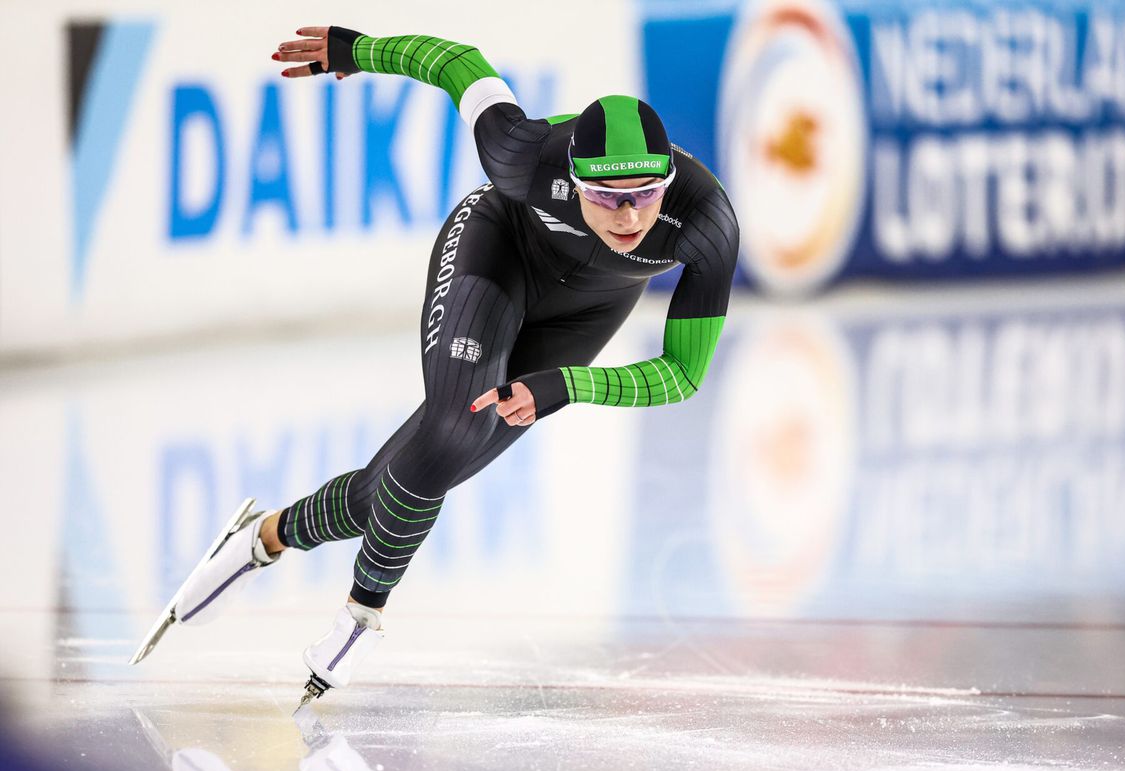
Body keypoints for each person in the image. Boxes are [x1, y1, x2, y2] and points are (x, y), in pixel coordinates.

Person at [131, 24, 740, 705]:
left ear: (669, 180)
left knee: (395, 486)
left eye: (645, 194)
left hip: (585, 318)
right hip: (497, 253)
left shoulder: (707, 222)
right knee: (456, 427)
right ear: (572, 178)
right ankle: (362, 613)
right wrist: (353, 50)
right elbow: (458, 62)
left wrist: (566, 385)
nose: (628, 217)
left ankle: (263, 537)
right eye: (604, 197)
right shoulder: (524, 156)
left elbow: (682, 374)